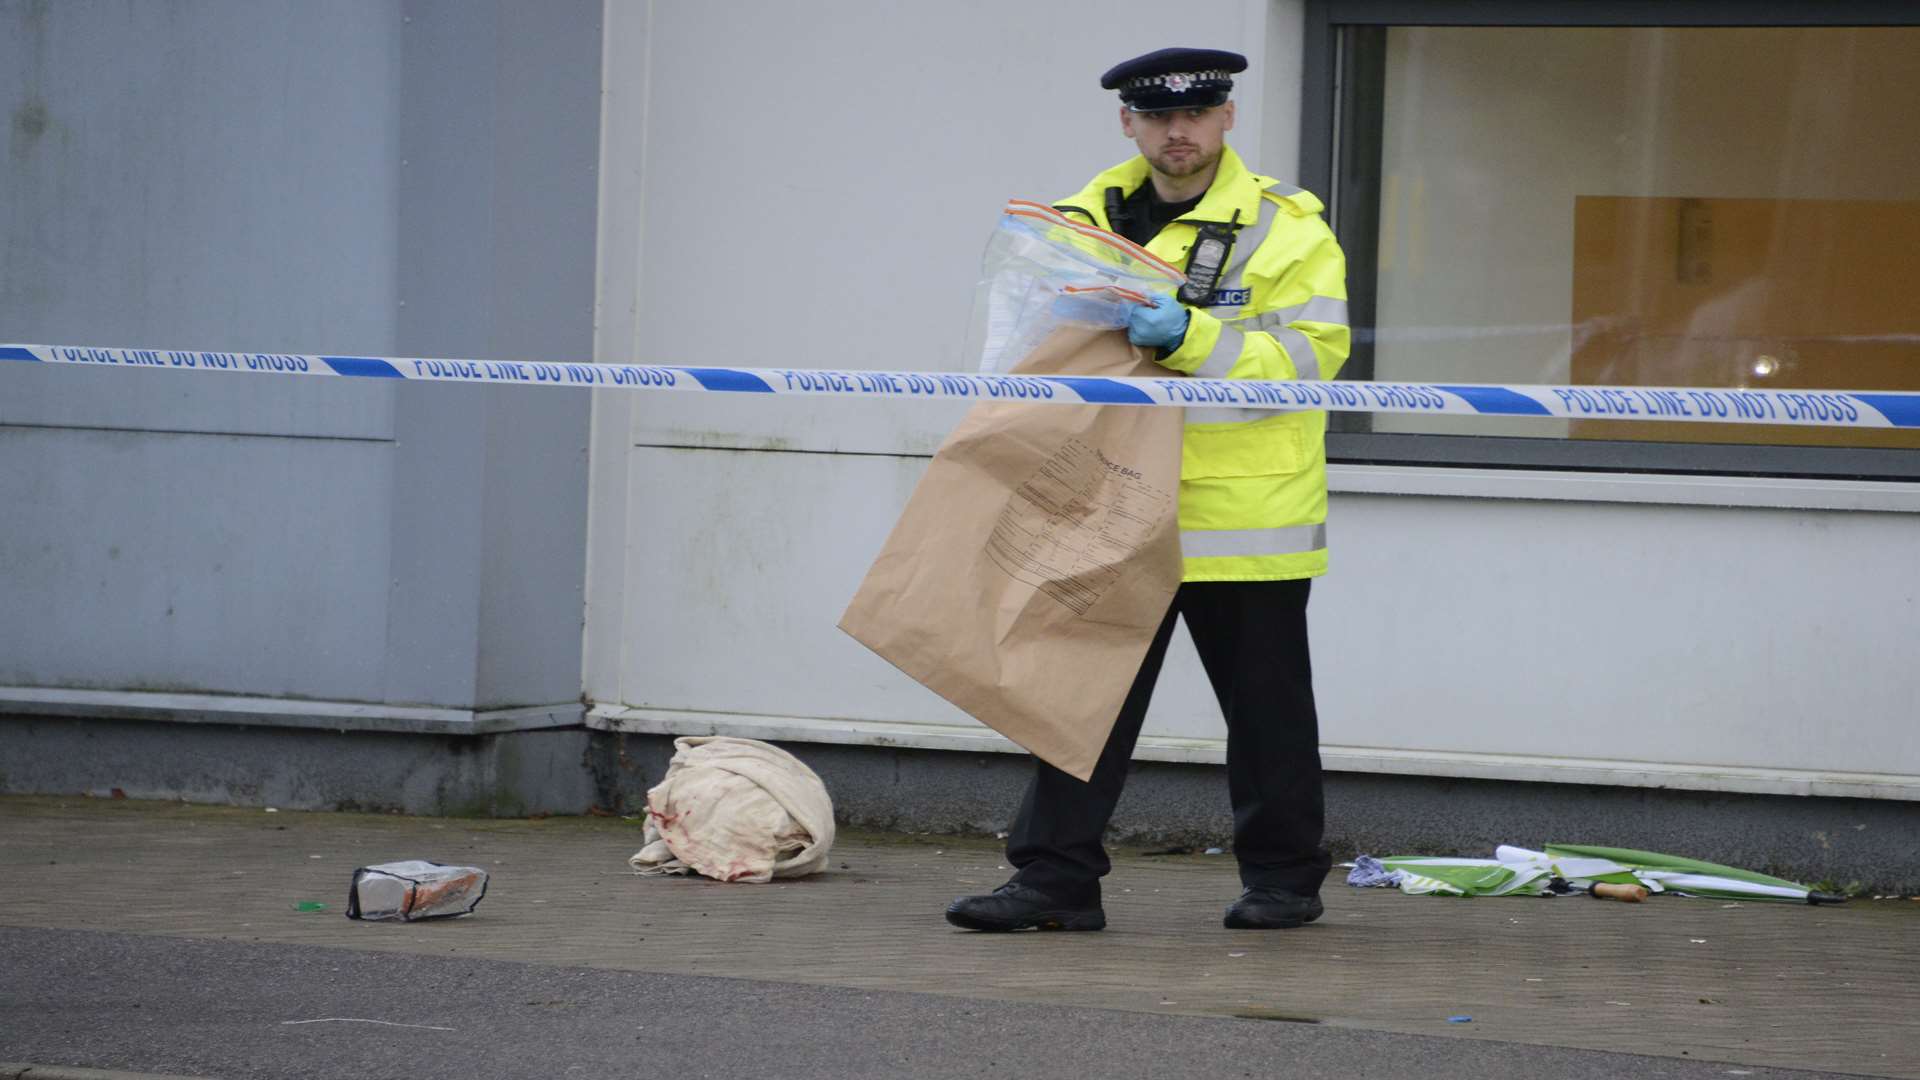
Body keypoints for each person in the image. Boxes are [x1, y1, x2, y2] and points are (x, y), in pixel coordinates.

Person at [945, 47, 1350, 932]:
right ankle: (1055, 882)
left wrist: (1191, 337)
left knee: (1268, 719)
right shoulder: (1078, 221)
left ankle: (1284, 882)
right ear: (1128, 122)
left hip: (1243, 516)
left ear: (1227, 119)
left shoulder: (1289, 230)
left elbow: (1313, 363)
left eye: (1198, 113)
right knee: (1078, 699)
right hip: (1113, 501)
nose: (1180, 131)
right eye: (1159, 116)